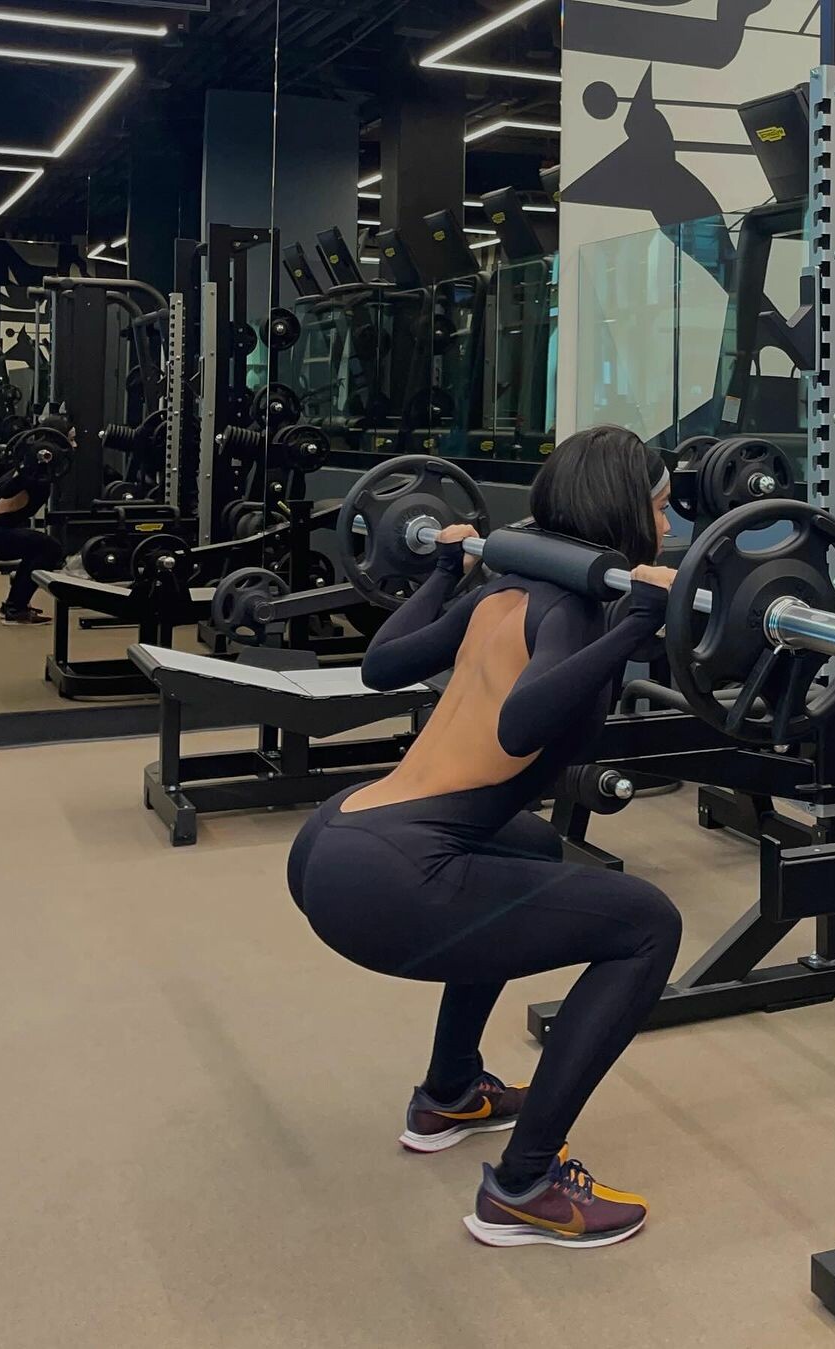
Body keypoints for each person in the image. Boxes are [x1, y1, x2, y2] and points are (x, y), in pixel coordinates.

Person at [287, 426, 682, 1249]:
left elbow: (382, 664)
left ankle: (451, 1091)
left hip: (335, 837)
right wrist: (635, 627)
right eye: (660, 507)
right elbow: (520, 723)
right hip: (393, 878)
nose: (670, 527)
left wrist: (443, 573)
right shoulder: (575, 609)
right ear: (623, 511)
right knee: (649, 924)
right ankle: (527, 1183)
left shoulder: (502, 588)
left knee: (531, 848)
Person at [0, 457, 64, 624]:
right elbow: (6, 489)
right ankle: (16, 609)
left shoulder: (25, 472)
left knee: (39, 547)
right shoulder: (27, 475)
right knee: (49, 547)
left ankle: (13, 605)